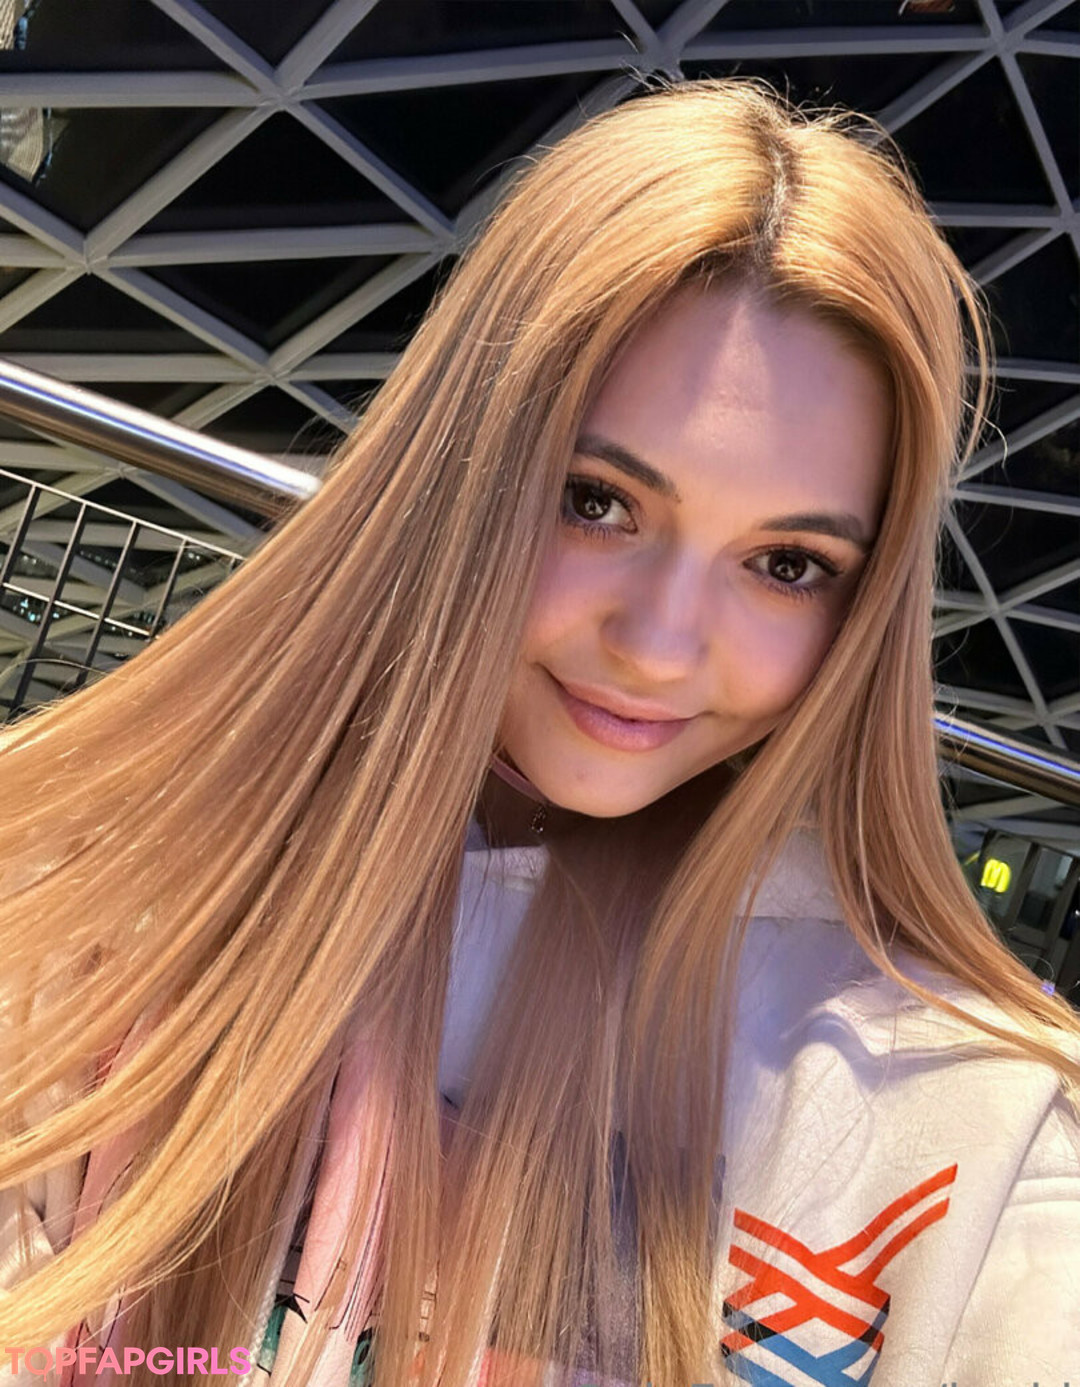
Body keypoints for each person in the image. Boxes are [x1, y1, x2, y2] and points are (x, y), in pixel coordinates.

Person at [0, 75, 1077, 1387]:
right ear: (457, 469)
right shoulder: (82, 898)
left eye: (787, 564)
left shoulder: (964, 1109)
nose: (660, 644)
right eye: (596, 499)